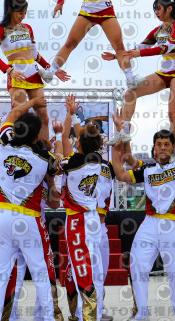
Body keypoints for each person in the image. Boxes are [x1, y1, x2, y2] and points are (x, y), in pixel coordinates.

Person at [111, 105, 175, 320]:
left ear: (172, 147)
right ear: (154, 148)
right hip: (149, 223)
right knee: (136, 265)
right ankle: (141, 312)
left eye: (166, 144)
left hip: (174, 224)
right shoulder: (147, 169)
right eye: (159, 144)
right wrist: (119, 138)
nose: (162, 148)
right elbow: (121, 174)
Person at [0, 96, 61, 321]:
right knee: (40, 272)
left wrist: (32, 102)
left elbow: (12, 114)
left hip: (0, 217)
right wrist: (54, 142)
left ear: (15, 131)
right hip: (29, 219)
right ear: (37, 137)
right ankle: (49, 318)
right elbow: (58, 164)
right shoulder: (44, 158)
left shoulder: (2, 146)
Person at [104, 0, 175, 155]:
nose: (156, 12)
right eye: (154, 9)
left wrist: (140, 54)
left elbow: (165, 48)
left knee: (173, 112)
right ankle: (124, 132)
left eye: (159, 9)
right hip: (165, 72)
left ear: (169, 9)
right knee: (130, 93)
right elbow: (140, 48)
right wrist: (117, 56)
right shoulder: (157, 31)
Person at [0, 0, 70, 143]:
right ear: (10, 10)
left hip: (33, 74)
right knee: (20, 116)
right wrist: (9, 70)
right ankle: (18, 149)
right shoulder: (1, 29)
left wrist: (52, 70)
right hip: (16, 76)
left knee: (44, 117)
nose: (23, 16)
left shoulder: (28, 29)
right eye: (20, 13)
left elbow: (35, 55)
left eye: (25, 13)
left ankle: (43, 150)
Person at [59, 94, 114, 321]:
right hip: (92, 220)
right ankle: (96, 313)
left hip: (77, 220)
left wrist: (69, 114)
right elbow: (81, 136)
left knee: (81, 268)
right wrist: (74, 116)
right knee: (95, 267)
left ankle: (86, 316)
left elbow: (65, 137)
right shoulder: (98, 161)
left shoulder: (71, 163)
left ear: (79, 143)